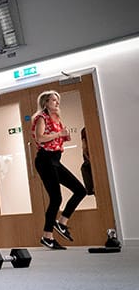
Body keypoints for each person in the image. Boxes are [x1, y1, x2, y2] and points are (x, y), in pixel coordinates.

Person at [31, 90, 86, 250]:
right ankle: (47, 237)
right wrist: (58, 134)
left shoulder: (57, 119)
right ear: (45, 103)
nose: (57, 103)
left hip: (55, 160)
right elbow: (40, 137)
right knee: (56, 198)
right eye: (53, 100)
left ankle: (62, 222)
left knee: (80, 190)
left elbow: (57, 137)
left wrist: (64, 136)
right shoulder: (41, 117)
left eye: (57, 100)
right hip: (45, 159)